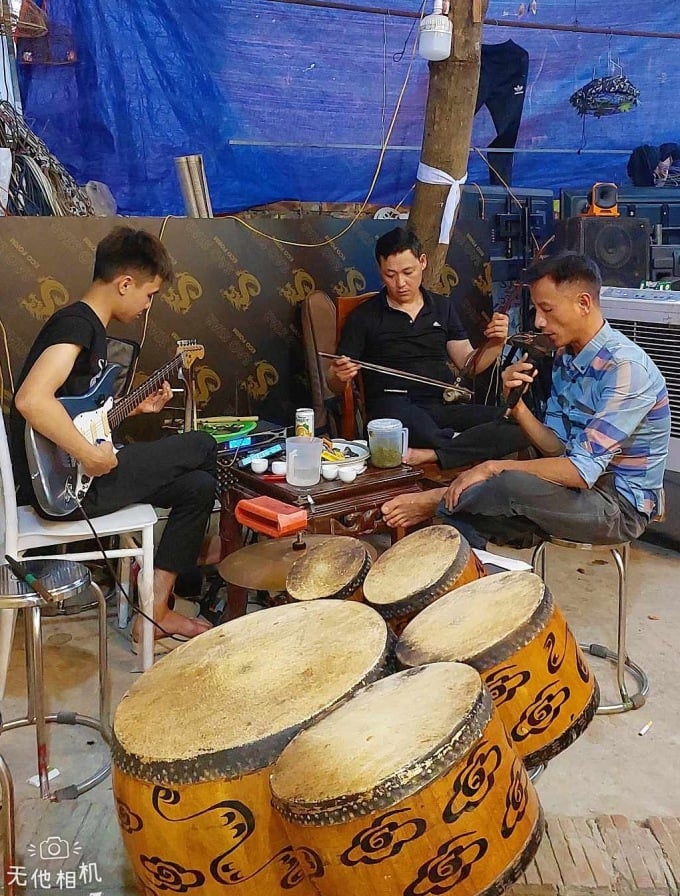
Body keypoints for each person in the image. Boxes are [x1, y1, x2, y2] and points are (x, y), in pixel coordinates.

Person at [10, 225, 217, 648]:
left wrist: (128, 411)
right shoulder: (77, 324)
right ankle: (196, 569)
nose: (147, 305)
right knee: (202, 444)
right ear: (125, 284)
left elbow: (72, 412)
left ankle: (155, 612)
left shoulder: (88, 328)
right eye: (149, 294)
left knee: (199, 486)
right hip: (68, 492)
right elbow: (31, 400)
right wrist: (90, 455)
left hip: (76, 479)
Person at [382, 253, 670, 548]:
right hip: (575, 493)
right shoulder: (564, 356)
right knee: (472, 511)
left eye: (546, 309)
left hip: (616, 507)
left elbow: (581, 472)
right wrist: (517, 408)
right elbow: (556, 446)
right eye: (536, 310)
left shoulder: (626, 369)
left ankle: (436, 499)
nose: (539, 321)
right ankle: (470, 579)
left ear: (583, 303)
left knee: (502, 481)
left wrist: (489, 468)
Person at [327, 226, 529, 469]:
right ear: (380, 271)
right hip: (393, 406)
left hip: (440, 404)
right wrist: (339, 375)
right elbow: (334, 381)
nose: (400, 282)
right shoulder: (364, 316)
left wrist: (496, 344)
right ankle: (455, 445)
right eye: (390, 274)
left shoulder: (442, 307)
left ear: (422, 262)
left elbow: (469, 364)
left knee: (519, 424)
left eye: (407, 272)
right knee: (418, 429)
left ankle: (433, 453)